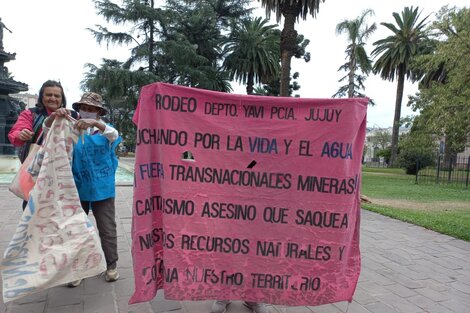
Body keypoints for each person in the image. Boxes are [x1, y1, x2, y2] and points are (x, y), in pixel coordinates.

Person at [52, 92, 122, 287]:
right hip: (76, 187)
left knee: (107, 228)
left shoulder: (105, 130)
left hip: (102, 188)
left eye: (92, 109)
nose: (87, 112)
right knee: (76, 228)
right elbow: (49, 131)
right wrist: (55, 116)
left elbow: (114, 136)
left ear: (99, 112)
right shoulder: (72, 128)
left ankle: (111, 265)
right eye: (84, 109)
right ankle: (78, 269)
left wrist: (95, 124)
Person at [8, 80, 78, 209]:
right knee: (32, 207)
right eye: (48, 95)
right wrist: (21, 134)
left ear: (62, 99)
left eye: (57, 96)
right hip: (36, 171)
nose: (53, 98)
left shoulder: (73, 115)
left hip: (64, 170)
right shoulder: (31, 114)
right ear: (41, 97)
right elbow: (16, 133)